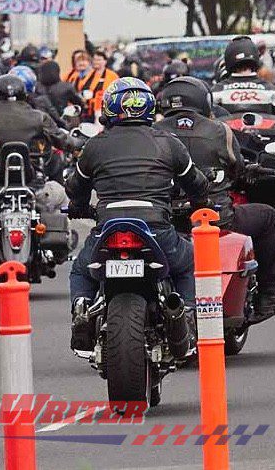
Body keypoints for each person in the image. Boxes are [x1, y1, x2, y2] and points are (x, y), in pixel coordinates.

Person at [66, 78, 209, 355]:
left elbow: (75, 188)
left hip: (108, 227)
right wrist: (199, 202)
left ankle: (82, 309)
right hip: (157, 228)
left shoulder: (95, 146)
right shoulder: (169, 143)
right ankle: (187, 316)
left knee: (81, 270)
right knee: (189, 262)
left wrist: (79, 206)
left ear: (110, 108)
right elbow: (198, 184)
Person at [155, 77, 275, 321]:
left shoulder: (152, 133)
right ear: (204, 101)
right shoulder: (219, 131)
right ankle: (269, 293)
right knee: (267, 215)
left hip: (166, 220)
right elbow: (237, 167)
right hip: (214, 219)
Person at [0, 74, 81, 214]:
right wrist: (79, 142)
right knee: (61, 196)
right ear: (25, 95)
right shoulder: (40, 117)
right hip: (37, 191)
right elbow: (65, 142)